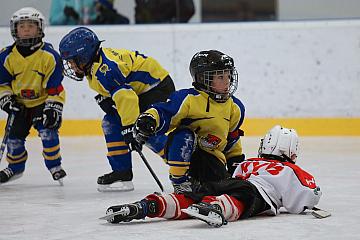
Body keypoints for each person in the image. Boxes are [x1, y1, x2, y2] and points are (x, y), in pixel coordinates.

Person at [103, 125, 322, 228]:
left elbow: (233, 178)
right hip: (253, 192)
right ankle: (215, 207)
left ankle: (148, 206)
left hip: (226, 181)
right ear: (292, 151)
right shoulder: (292, 170)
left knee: (194, 195)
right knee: (240, 198)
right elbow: (304, 200)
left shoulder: (248, 163)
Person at [58, 27, 175, 192]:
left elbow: (127, 98)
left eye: (72, 61)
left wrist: (129, 126)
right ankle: (122, 173)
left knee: (143, 129)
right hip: (140, 90)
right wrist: (106, 97)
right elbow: (120, 89)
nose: (70, 65)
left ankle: (184, 167)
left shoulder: (107, 69)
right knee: (111, 122)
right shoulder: (94, 63)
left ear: (84, 56)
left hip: (156, 88)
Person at [133, 49, 246, 194]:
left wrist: (236, 168)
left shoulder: (235, 107)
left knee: (219, 188)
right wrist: (149, 118)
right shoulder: (188, 99)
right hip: (187, 157)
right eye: (220, 77)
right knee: (184, 135)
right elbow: (164, 111)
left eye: (228, 76)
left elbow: (233, 140)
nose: (227, 82)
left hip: (213, 161)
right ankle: (180, 182)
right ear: (202, 78)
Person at [0, 7, 66, 184]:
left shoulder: (50, 56)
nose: (27, 29)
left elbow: (55, 88)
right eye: (22, 26)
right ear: (15, 30)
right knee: (13, 139)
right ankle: (15, 168)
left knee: (48, 132)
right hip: (18, 103)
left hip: (43, 102)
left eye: (31, 25)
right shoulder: (6, 56)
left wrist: (54, 107)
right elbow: (2, 84)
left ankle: (54, 166)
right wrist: (6, 100)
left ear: (40, 29)